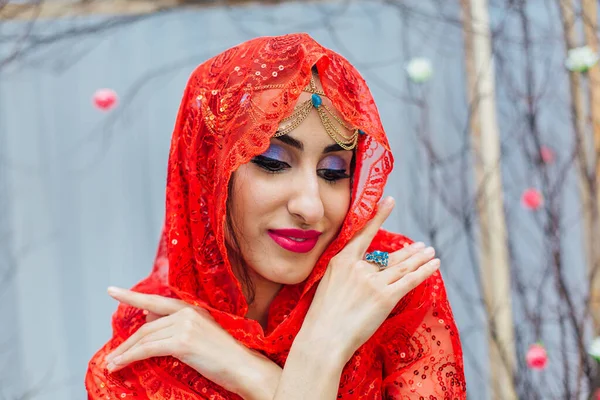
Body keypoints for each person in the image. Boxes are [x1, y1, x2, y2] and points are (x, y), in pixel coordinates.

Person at [85, 33, 466, 399]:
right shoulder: (140, 365)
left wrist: (272, 363)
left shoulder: (386, 286)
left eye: (334, 171)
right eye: (274, 163)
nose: (311, 206)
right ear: (210, 172)